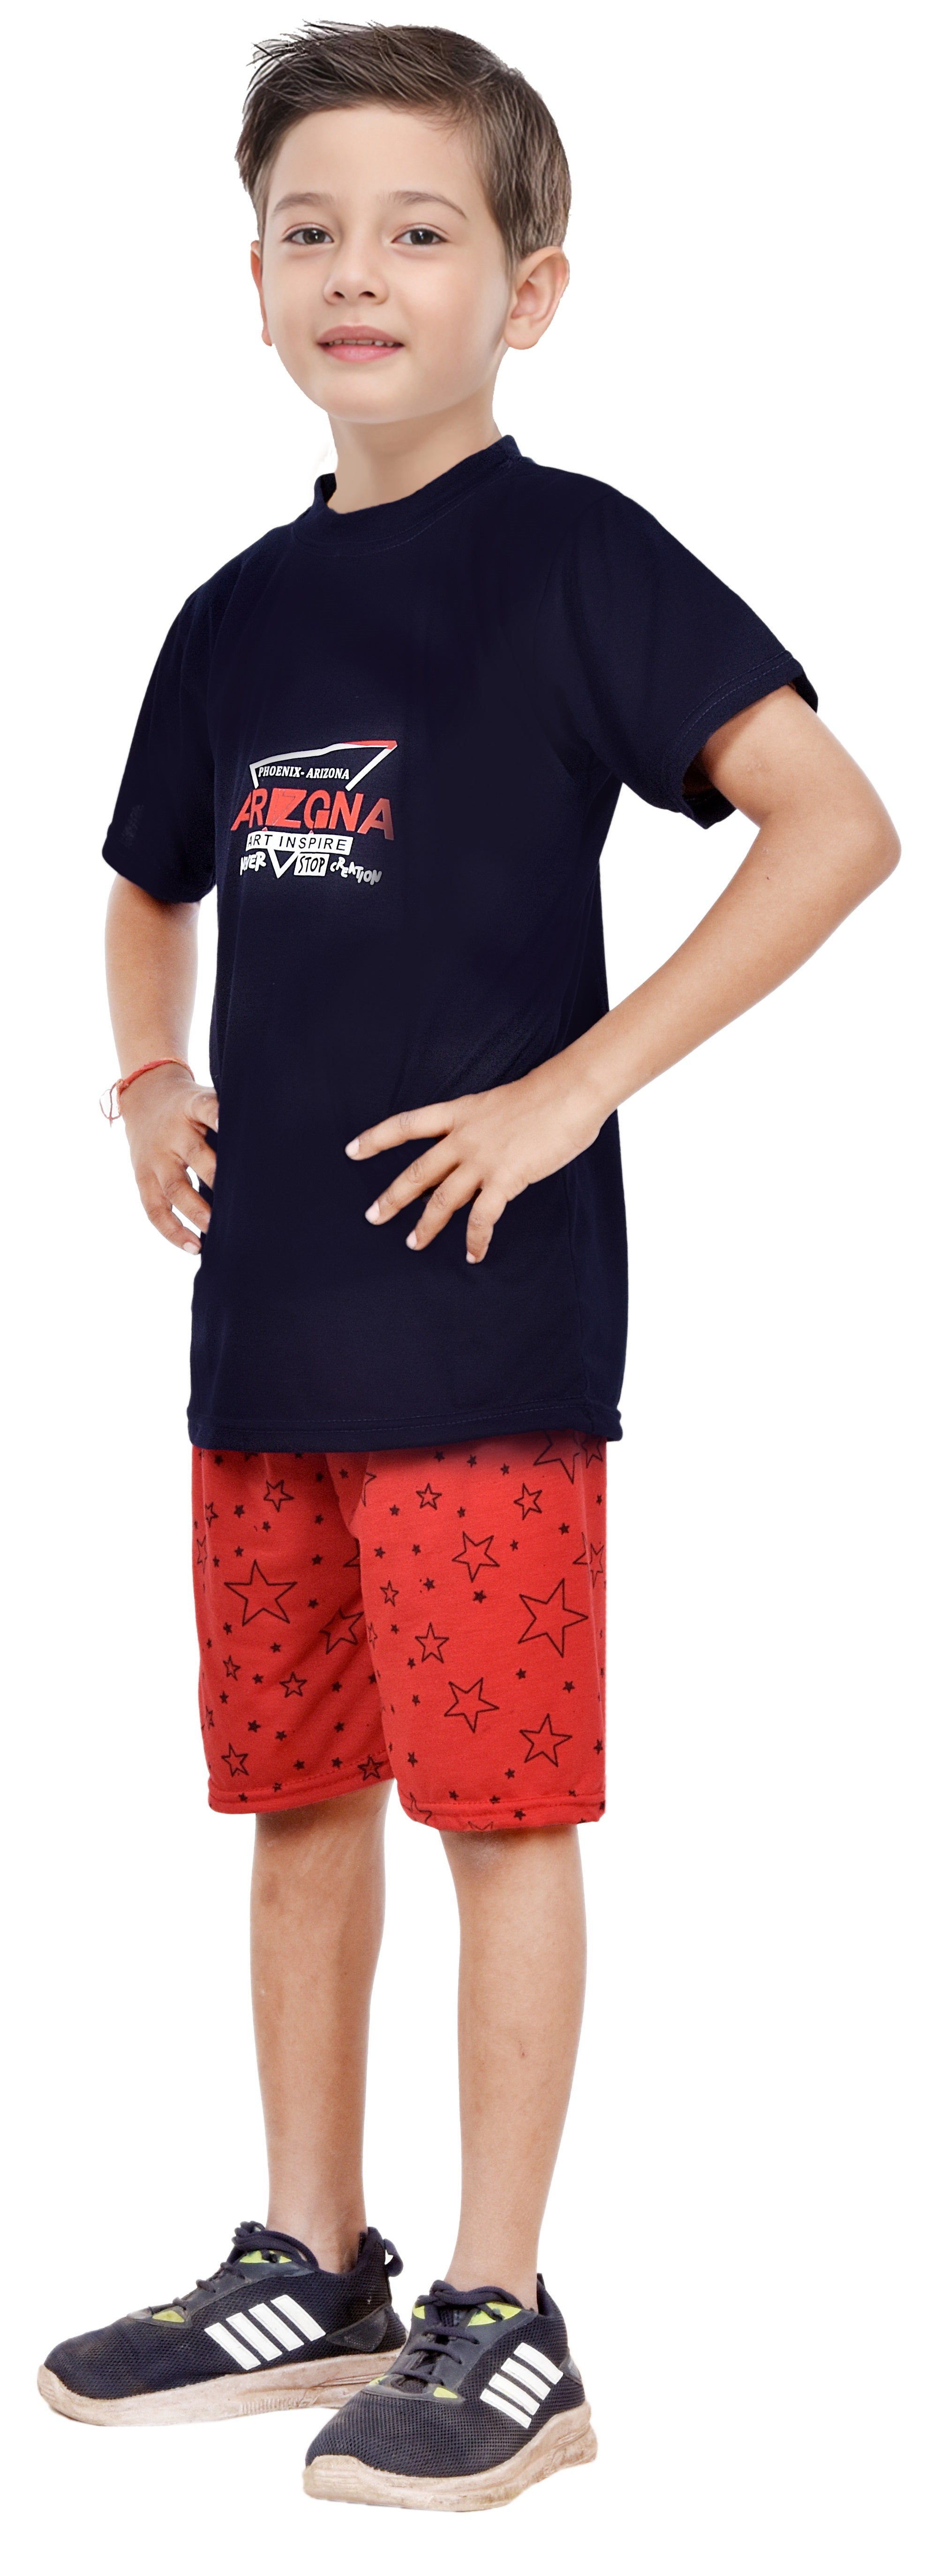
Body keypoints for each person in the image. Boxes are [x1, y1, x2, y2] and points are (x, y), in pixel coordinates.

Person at [38, 21, 898, 2514]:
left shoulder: (577, 556)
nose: (357, 271)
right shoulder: (233, 611)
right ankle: (309, 2260)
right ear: (249, 280)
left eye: (419, 231)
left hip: (484, 1320)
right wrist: (147, 1071)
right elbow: (144, 881)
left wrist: (567, 1091)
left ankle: (508, 2316)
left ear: (527, 289)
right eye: (308, 229)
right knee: (295, 1795)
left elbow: (835, 825)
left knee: (496, 1811)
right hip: (266, 1328)